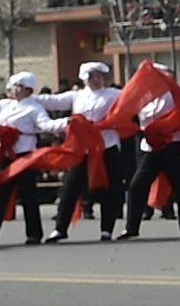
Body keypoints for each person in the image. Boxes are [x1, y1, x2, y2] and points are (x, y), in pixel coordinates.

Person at [0, 73, 58, 246]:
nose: (11, 90)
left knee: (29, 197)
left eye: (16, 86)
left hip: (24, 156)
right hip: (6, 156)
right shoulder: (5, 105)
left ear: (27, 89)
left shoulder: (33, 108)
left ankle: (33, 234)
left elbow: (47, 125)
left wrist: (67, 122)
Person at [46, 60, 125, 242]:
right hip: (82, 150)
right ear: (84, 79)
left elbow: (133, 97)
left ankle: (107, 229)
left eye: (99, 76)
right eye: (92, 76)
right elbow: (53, 101)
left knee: (109, 189)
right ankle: (60, 228)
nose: (96, 80)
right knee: (70, 188)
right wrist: (29, 98)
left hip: (106, 147)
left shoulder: (113, 94)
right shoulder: (77, 96)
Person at [121, 90, 180, 241]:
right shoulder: (141, 97)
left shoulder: (173, 94)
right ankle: (131, 227)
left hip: (172, 146)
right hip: (150, 148)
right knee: (137, 185)